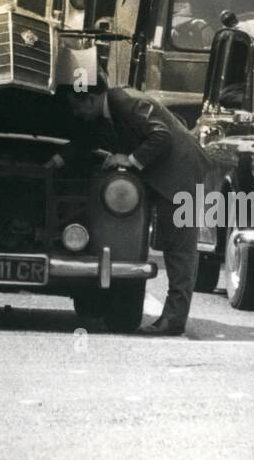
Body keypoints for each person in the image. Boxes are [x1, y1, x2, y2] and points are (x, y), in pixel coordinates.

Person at [56, 83, 208, 336]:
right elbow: (88, 138)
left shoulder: (125, 102)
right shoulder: (109, 110)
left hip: (182, 179)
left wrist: (130, 159)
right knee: (175, 249)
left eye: (76, 106)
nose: (76, 114)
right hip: (167, 180)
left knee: (179, 252)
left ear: (91, 99)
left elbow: (161, 136)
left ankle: (174, 321)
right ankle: (172, 318)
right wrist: (58, 158)